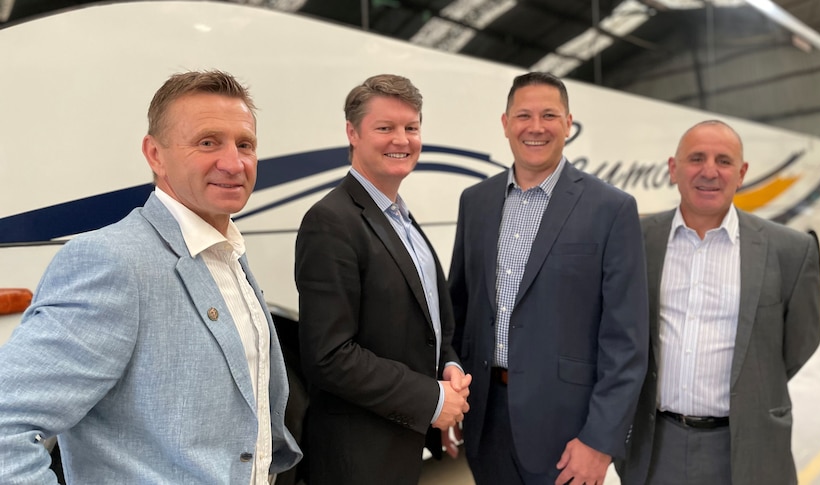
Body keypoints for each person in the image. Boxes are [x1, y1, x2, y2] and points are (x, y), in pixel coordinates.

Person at [0, 70, 302, 484]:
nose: (234, 163)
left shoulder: (225, 250)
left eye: (245, 144)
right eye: (207, 142)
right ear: (155, 155)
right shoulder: (111, 261)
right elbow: (6, 424)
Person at [448, 71, 649, 485]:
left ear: (568, 123)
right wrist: (448, 398)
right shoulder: (476, 201)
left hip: (567, 430)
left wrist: (600, 439)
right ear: (505, 124)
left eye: (549, 115)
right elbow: (460, 307)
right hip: (485, 419)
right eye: (523, 115)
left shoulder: (611, 208)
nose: (535, 127)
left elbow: (626, 340)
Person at [616, 120, 820, 485]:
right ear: (673, 169)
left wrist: (755, 384)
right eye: (696, 158)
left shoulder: (790, 250)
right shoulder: (637, 239)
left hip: (747, 447)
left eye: (724, 161)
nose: (709, 171)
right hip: (655, 445)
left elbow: (799, 344)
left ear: (741, 173)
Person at [295, 74, 471, 485]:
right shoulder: (330, 221)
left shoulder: (403, 220)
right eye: (385, 128)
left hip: (401, 446)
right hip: (358, 459)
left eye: (411, 127)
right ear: (352, 133)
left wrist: (448, 366)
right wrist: (431, 400)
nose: (402, 139)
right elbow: (329, 357)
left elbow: (430, 325)